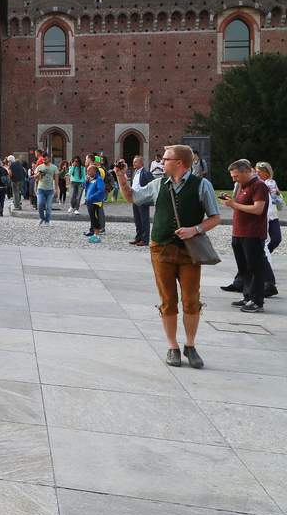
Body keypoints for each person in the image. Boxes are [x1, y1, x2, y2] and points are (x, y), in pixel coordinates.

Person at [115, 144, 220, 367]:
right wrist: (121, 176)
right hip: (161, 248)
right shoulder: (157, 184)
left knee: (191, 300)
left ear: (179, 163)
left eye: (166, 159)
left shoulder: (202, 185)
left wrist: (195, 229)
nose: (162, 163)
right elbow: (132, 197)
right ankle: (172, 346)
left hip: (189, 251)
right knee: (168, 300)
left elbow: (214, 217)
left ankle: (190, 345)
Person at [221, 159, 272, 313]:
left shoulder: (259, 186)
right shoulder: (243, 185)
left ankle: (257, 301)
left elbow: (258, 209)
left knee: (255, 267)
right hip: (239, 232)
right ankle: (248, 296)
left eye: (236, 176)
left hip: (253, 233)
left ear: (246, 171)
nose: (234, 179)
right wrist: (231, 201)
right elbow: (240, 205)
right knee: (244, 268)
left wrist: (234, 205)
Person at [256, 162, 280, 296]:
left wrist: (277, 194)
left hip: (272, 215)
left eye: (260, 171)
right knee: (261, 247)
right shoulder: (257, 184)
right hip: (264, 216)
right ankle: (264, 263)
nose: (257, 173)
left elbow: (278, 199)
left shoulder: (271, 182)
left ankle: (263, 258)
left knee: (276, 239)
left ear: (266, 172)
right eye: (256, 171)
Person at [129, 155, 155, 246]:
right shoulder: (135, 172)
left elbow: (153, 184)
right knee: (137, 219)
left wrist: (147, 195)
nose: (133, 163)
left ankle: (145, 239)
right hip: (135, 198)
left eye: (135, 162)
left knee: (144, 220)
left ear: (141, 163)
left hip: (142, 199)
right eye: (133, 161)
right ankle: (138, 237)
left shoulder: (146, 173)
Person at [84, 163, 106, 239]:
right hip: (90, 201)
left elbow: (101, 191)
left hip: (95, 202)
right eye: (87, 171)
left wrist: (91, 197)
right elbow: (87, 190)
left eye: (89, 171)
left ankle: (96, 235)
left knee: (95, 218)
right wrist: (86, 183)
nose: (87, 173)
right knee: (92, 218)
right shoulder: (91, 179)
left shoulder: (98, 179)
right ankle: (93, 233)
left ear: (94, 171)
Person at [34, 151, 56, 225]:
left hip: (50, 189)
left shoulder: (54, 167)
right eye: (43, 160)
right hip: (41, 188)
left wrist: (56, 189)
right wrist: (38, 174)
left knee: (49, 207)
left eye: (45, 159)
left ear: (49, 158)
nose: (44, 161)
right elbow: (34, 176)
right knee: (40, 204)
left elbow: (56, 179)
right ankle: (41, 218)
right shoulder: (39, 167)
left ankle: (47, 221)